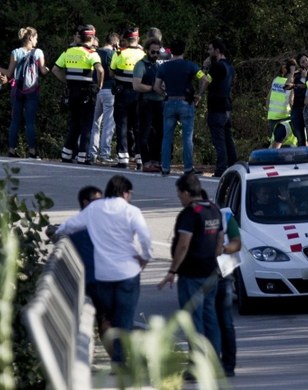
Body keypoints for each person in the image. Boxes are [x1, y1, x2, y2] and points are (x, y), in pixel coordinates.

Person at [55, 175, 153, 366]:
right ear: (125, 192)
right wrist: (145, 258)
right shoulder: (131, 211)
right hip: (128, 273)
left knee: (112, 317)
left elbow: (69, 226)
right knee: (124, 318)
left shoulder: (94, 209)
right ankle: (123, 360)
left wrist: (57, 234)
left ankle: (123, 358)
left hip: (104, 276)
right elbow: (145, 239)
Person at [158, 172, 224, 366]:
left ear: (186, 193)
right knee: (210, 317)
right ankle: (215, 362)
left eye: (179, 195)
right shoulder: (214, 209)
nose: (179, 199)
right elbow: (220, 240)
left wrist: (172, 271)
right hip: (211, 271)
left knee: (193, 320)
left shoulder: (189, 213)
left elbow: (183, 244)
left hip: (192, 274)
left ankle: (197, 364)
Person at [52, 25, 103, 164]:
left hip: (72, 92)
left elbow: (55, 69)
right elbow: (100, 70)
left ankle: (66, 153)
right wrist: (99, 86)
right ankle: (82, 156)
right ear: (91, 38)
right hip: (87, 92)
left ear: (80, 37)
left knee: (74, 124)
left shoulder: (68, 51)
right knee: (86, 125)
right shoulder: (91, 53)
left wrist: (67, 81)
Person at [154, 39, 206, 176]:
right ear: (184, 50)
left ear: (172, 50)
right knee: (187, 137)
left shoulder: (164, 67)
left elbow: (156, 86)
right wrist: (199, 94)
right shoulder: (190, 66)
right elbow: (204, 79)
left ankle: (165, 167)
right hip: (186, 103)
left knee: (167, 137)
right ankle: (188, 168)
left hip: (170, 102)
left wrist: (164, 94)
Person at [4, 27, 48, 159]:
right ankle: (32, 151)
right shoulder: (38, 52)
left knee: (15, 121)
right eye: (36, 38)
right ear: (30, 38)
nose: (37, 40)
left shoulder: (15, 52)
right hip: (32, 90)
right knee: (30, 122)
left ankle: (12, 150)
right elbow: (43, 71)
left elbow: (8, 73)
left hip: (17, 89)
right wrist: (46, 68)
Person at [203, 38, 238, 178]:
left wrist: (204, 68)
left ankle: (221, 169)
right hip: (227, 107)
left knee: (219, 140)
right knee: (228, 139)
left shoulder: (217, 66)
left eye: (210, 49)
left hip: (216, 107)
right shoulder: (229, 66)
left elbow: (206, 80)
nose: (208, 52)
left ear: (217, 51)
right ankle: (233, 165)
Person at [111, 27, 145, 169]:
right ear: (137, 39)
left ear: (126, 39)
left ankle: (123, 158)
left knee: (122, 126)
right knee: (138, 127)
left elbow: (111, 72)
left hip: (122, 93)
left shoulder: (119, 53)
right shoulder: (144, 54)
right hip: (139, 94)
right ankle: (140, 159)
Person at [133, 38, 165, 173]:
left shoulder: (158, 65)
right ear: (147, 50)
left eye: (158, 52)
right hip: (146, 102)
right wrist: (153, 88)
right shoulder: (141, 65)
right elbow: (136, 85)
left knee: (159, 133)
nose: (155, 55)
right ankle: (146, 161)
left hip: (159, 102)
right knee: (144, 133)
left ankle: (156, 160)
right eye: (153, 52)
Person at [216, 208, 241, 377]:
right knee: (222, 321)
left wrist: (222, 249)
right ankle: (225, 365)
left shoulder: (224, 215)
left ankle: (226, 364)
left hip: (218, 274)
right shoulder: (223, 215)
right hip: (218, 274)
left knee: (221, 321)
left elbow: (237, 243)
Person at [88, 32, 119, 164]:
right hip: (109, 90)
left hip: (95, 90)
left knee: (94, 123)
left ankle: (92, 153)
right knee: (108, 124)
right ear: (115, 43)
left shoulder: (95, 53)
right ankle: (105, 154)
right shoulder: (113, 55)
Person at [266, 59, 296, 145]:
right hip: (276, 117)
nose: (284, 69)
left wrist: (292, 72)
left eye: (286, 67)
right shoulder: (277, 80)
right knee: (278, 142)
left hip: (284, 117)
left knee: (282, 143)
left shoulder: (290, 82)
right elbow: (269, 97)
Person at [289, 53, 308, 146]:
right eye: (302, 62)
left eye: (306, 59)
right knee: (300, 138)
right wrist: (302, 78)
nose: (305, 62)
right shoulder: (297, 76)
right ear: (300, 64)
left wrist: (306, 77)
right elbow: (294, 89)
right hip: (297, 108)